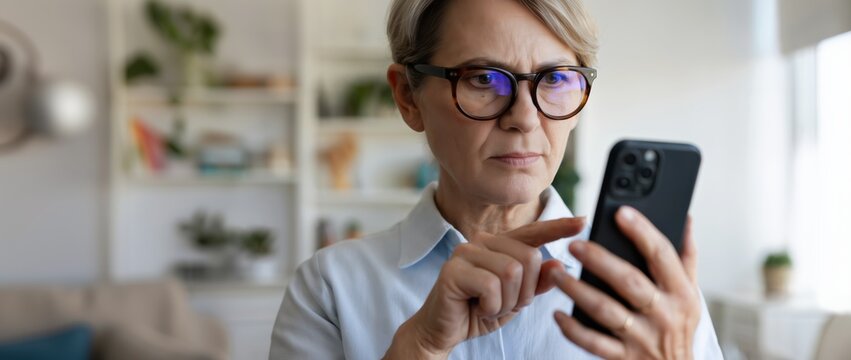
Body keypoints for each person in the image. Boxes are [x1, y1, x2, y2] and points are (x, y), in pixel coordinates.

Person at [271, 0, 723, 358]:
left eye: (555, 79)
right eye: (484, 79)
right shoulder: (331, 289)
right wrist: (421, 347)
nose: (524, 118)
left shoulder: (655, 294)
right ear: (408, 97)